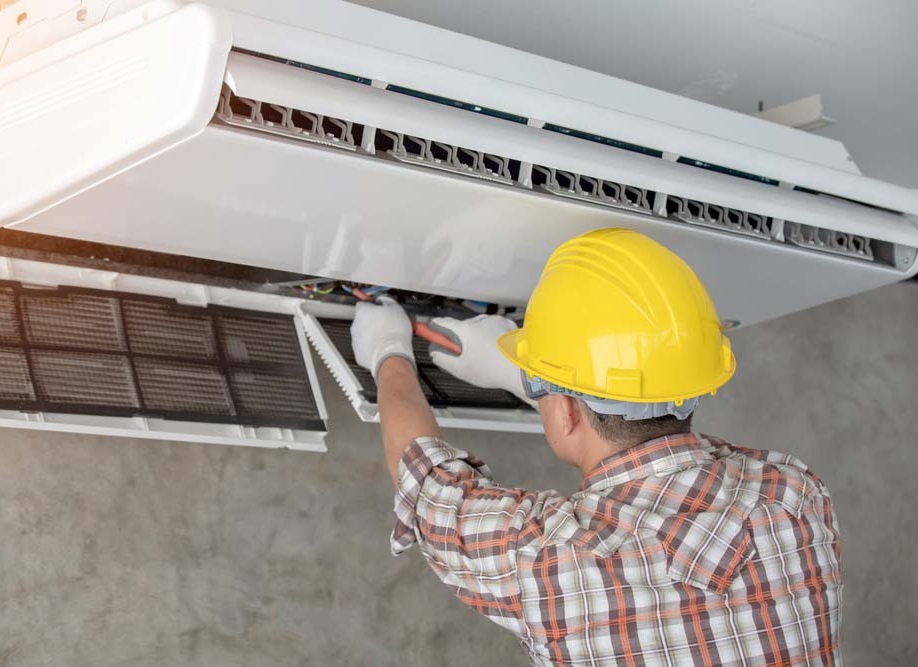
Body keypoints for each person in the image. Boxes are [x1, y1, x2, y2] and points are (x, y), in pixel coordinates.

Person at [350, 228, 842, 666]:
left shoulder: (549, 562)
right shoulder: (795, 498)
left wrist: (387, 351)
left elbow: (428, 484)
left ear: (565, 412)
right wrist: (547, 385)